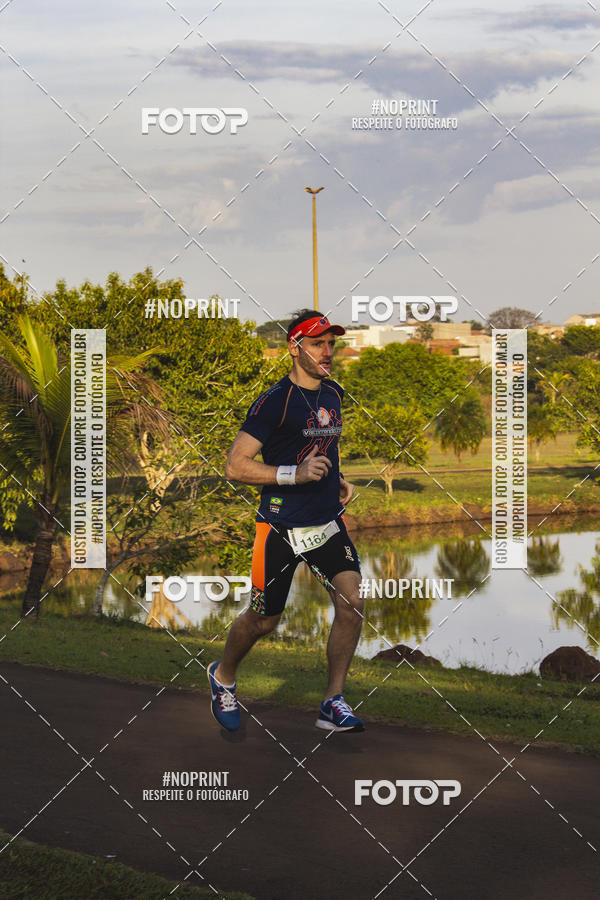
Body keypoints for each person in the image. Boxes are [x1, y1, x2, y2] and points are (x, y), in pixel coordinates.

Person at [207, 309, 365, 733]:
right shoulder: (274, 401)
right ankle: (223, 678)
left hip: (326, 523)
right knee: (264, 620)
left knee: (352, 604)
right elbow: (235, 466)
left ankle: (333, 702)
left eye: (332, 343)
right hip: (279, 529)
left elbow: (320, 451)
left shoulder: (333, 394)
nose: (328, 352)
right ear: (294, 349)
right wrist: (291, 475)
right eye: (318, 344)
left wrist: (338, 480)